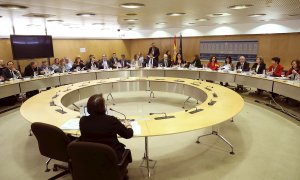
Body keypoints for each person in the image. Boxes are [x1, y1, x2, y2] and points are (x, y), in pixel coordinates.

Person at [79, 94, 133, 161]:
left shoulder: (83, 120)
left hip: (91, 156)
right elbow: (128, 135)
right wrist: (128, 126)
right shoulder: (111, 120)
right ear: (103, 107)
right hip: (111, 158)